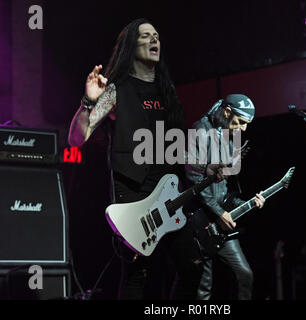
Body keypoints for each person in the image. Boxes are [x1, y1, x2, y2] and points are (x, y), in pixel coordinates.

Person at [68, 18, 224, 300]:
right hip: (133, 192)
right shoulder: (116, 90)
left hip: (170, 194)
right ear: (131, 45)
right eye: (145, 36)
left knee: (193, 266)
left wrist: (205, 166)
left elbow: (177, 147)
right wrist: (88, 101)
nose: (154, 40)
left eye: (157, 36)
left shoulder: (167, 91)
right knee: (137, 273)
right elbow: (78, 138)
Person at [185, 94, 265, 300]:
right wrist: (219, 213)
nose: (244, 129)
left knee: (244, 274)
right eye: (241, 122)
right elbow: (194, 180)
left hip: (218, 222)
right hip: (198, 221)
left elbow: (223, 186)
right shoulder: (200, 131)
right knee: (202, 287)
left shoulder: (230, 137)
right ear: (227, 112)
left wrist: (246, 204)